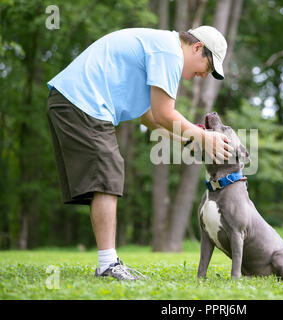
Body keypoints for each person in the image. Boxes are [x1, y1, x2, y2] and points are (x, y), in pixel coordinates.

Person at [46, 25, 234, 281]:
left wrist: (187, 141)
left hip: (71, 101)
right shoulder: (170, 52)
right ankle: (107, 264)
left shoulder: (162, 48)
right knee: (108, 174)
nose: (203, 75)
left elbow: (151, 117)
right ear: (198, 48)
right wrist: (203, 136)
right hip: (81, 102)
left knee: (106, 176)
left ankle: (107, 262)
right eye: (208, 67)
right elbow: (165, 114)